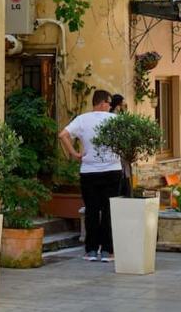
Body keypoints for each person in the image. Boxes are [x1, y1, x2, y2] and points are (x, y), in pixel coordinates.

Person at [59, 89, 122, 262]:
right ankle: (108, 251)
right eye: (109, 104)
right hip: (112, 170)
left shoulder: (82, 119)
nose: (110, 107)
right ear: (103, 103)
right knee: (109, 211)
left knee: (92, 211)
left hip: (89, 171)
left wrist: (74, 154)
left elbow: (63, 135)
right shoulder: (115, 120)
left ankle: (91, 250)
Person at [109, 93, 131, 197]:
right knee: (122, 182)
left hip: (118, 155)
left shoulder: (113, 117)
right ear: (118, 105)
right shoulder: (116, 118)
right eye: (123, 104)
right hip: (118, 155)